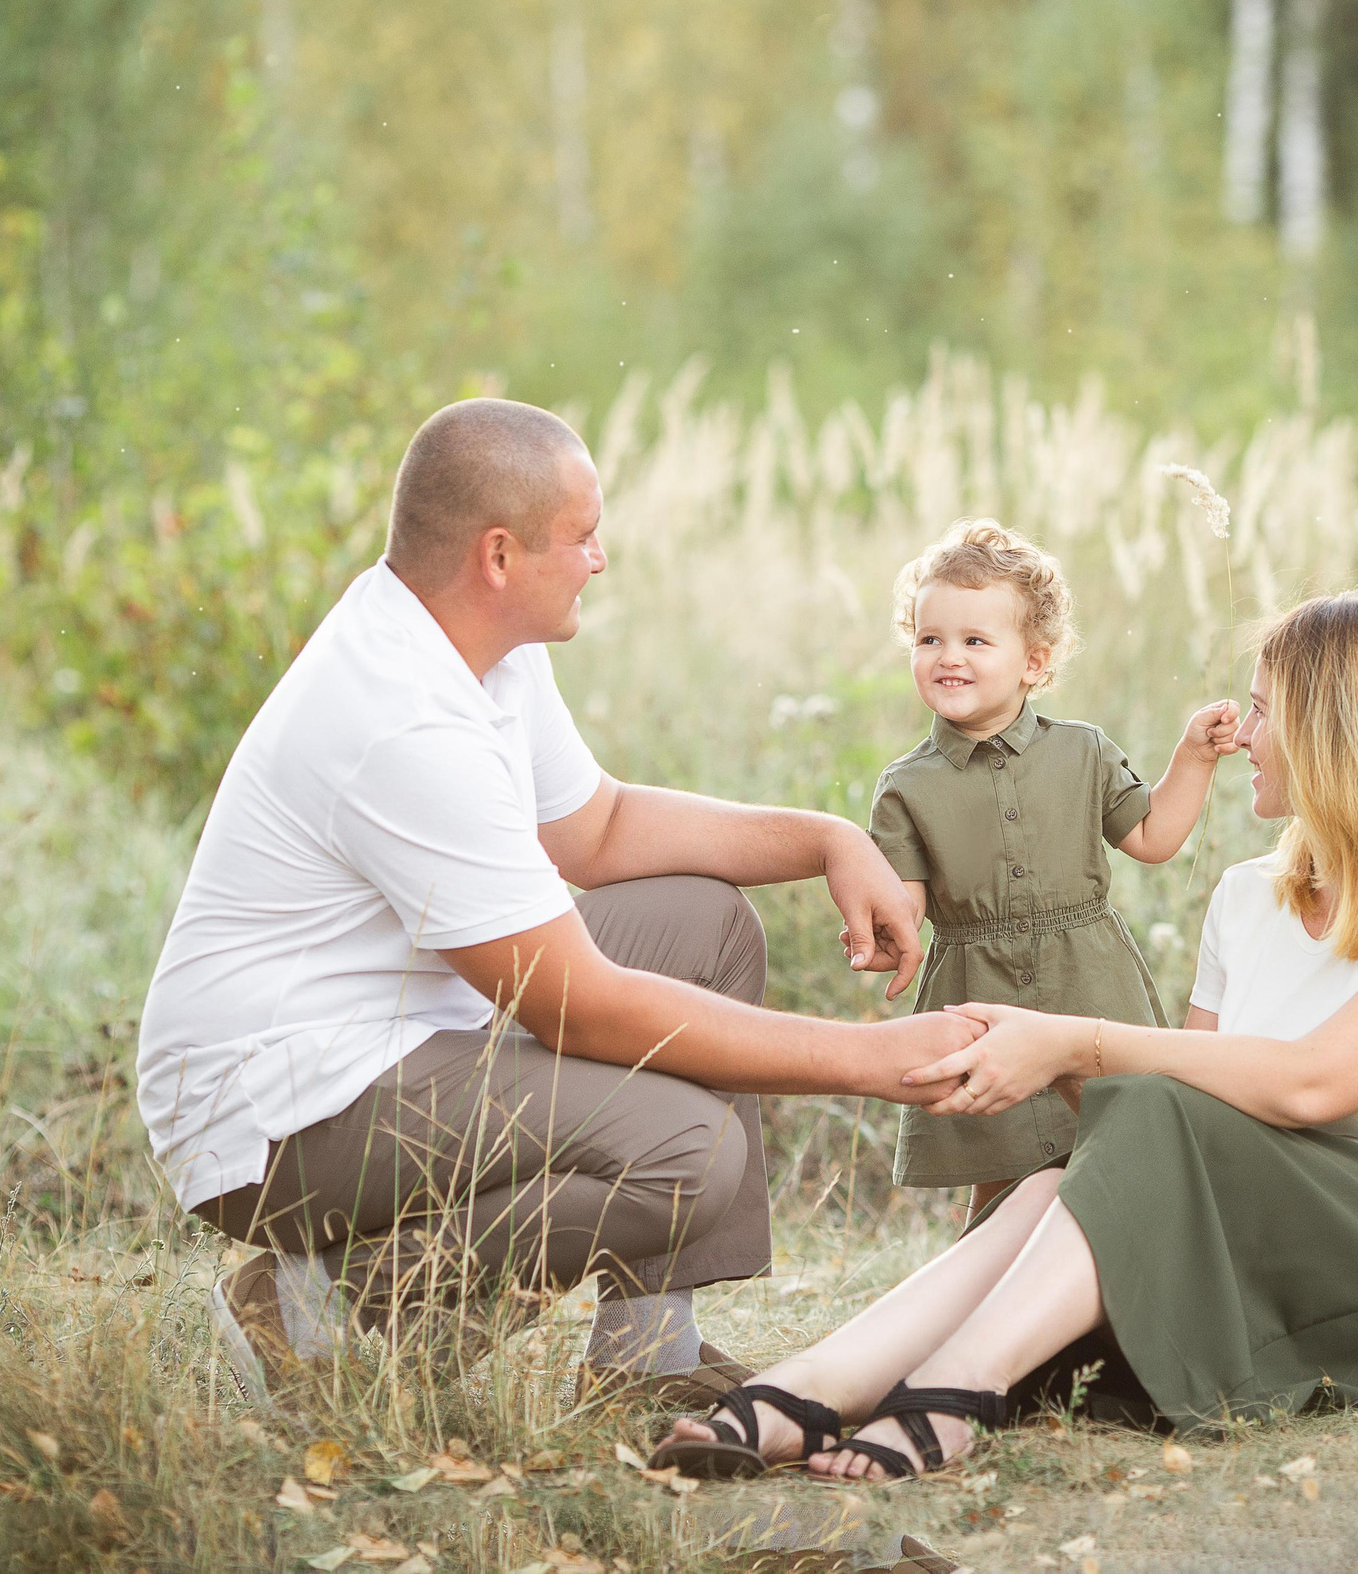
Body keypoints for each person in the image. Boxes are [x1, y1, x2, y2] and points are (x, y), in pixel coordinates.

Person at [134, 398, 976, 1410]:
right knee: (682, 1151)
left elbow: (600, 831)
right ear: (499, 555)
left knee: (699, 921)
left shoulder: (484, 647)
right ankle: (314, 1315)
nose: (600, 559)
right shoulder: (401, 718)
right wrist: (864, 1060)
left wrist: (825, 839)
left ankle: (644, 1361)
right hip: (272, 1115)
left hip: (389, 1045)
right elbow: (575, 1007)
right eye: (583, 536)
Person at [653, 590, 1358, 1482]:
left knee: (1137, 1103)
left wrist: (1073, 1041)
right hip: (1289, 1240)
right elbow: (1189, 1115)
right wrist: (1023, 1049)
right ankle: (808, 1387)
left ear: (1342, 732)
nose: (1243, 736)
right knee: (1061, 1176)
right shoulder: (1245, 897)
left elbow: (1314, 1087)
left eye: (1264, 712)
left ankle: (958, 1385)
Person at [867, 519, 1239, 1220]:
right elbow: (903, 907)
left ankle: (1115, 1301)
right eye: (929, 639)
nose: (949, 656)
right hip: (979, 995)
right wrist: (882, 931)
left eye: (976, 640)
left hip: (1089, 984)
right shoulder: (905, 786)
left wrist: (1195, 755)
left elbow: (1154, 835)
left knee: (1117, 1155)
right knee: (1002, 1176)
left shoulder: (1083, 751)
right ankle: (991, 1307)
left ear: (1033, 662)